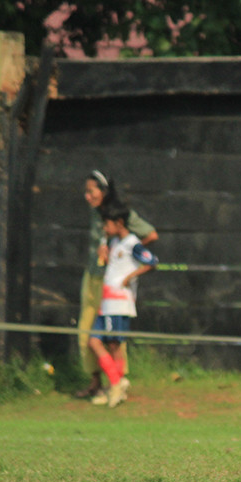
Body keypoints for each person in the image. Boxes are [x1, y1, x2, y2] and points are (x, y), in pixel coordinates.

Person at [75, 170, 158, 399]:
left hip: (111, 284)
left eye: (91, 191)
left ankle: (117, 381)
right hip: (92, 277)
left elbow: (151, 235)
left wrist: (122, 252)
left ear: (104, 192)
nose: (87, 196)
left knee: (112, 338)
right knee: (86, 332)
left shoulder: (120, 214)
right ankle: (96, 383)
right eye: (86, 191)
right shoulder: (96, 214)